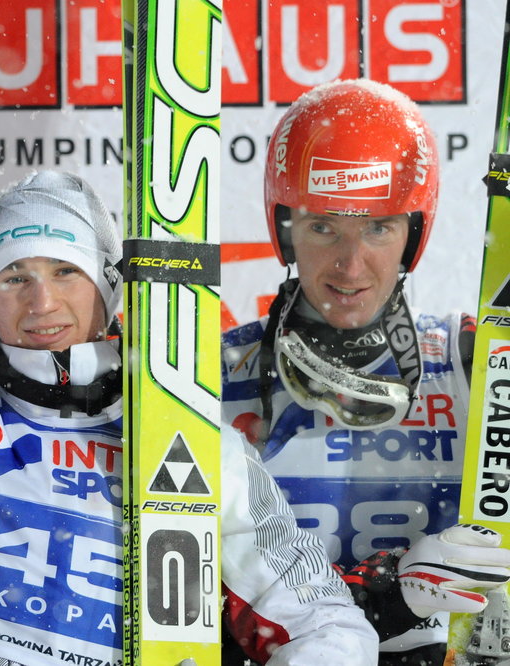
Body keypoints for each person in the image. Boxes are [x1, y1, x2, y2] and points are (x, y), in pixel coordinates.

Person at [0, 169, 377, 665]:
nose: (42, 303)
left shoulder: (187, 437)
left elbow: (323, 620)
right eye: (14, 277)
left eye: (65, 272)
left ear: (109, 288)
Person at [222, 78, 510, 665]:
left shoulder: (471, 362)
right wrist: (388, 597)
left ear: (412, 237)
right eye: (323, 225)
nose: (350, 264)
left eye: (378, 227)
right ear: (285, 230)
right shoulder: (204, 377)